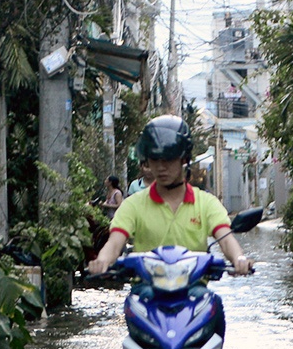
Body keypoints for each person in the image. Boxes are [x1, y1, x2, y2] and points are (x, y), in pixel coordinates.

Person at [88, 116, 253, 277]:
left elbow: (225, 239)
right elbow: (115, 242)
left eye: (168, 159)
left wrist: (239, 259)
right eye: (155, 159)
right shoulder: (133, 205)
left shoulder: (206, 203)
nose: (161, 167)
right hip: (146, 294)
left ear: (184, 160)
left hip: (195, 293)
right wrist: (102, 261)